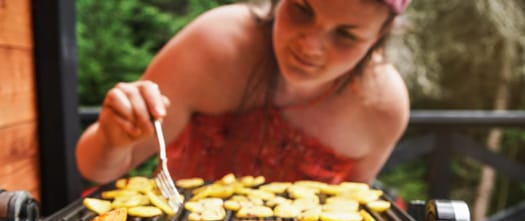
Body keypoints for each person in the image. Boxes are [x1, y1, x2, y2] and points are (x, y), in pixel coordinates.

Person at [76, 0, 411, 186]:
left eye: (346, 36)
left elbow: (350, 219)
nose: (310, 46)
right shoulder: (214, 44)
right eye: (302, 9)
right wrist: (112, 139)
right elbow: (96, 169)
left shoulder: (383, 106)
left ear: (380, 35)